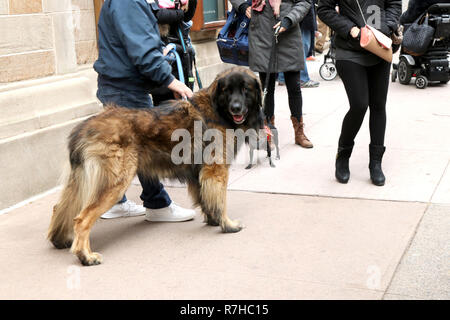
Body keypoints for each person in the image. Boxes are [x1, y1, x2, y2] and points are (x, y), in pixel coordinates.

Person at [94, 0, 196, 221]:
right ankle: (157, 204)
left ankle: (121, 202)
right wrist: (170, 81)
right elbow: (143, 50)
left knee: (135, 149)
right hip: (124, 88)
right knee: (146, 146)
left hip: (121, 85)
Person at [318, 0, 402, 186]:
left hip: (379, 48)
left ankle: (375, 163)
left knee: (378, 105)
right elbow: (324, 9)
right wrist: (350, 29)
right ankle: (343, 155)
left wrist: (385, 28)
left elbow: (395, 5)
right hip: (349, 49)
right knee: (359, 105)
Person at [231, 0, 314, 148]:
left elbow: (305, 2)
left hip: (288, 30)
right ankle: (268, 133)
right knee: (267, 88)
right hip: (261, 32)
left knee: (294, 87)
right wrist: (243, 6)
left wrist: (289, 19)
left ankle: (299, 132)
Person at [149, 0, 199, 105]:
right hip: (164, 56)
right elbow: (158, 15)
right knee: (165, 107)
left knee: (187, 103)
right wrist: (180, 12)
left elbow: (188, 15)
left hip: (181, 53)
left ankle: (194, 122)